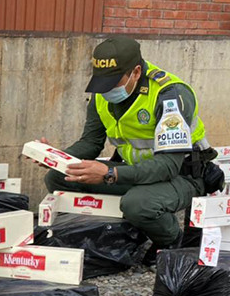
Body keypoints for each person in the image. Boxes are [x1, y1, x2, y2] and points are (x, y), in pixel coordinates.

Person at [40, 36, 220, 265]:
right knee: (60, 176)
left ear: (136, 72)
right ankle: (117, 232)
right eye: (102, 83)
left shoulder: (170, 95)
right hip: (137, 171)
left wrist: (109, 174)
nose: (106, 91)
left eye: (113, 83)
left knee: (137, 204)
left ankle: (171, 240)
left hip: (183, 175)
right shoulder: (102, 93)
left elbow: (167, 166)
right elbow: (91, 143)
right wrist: (55, 157)